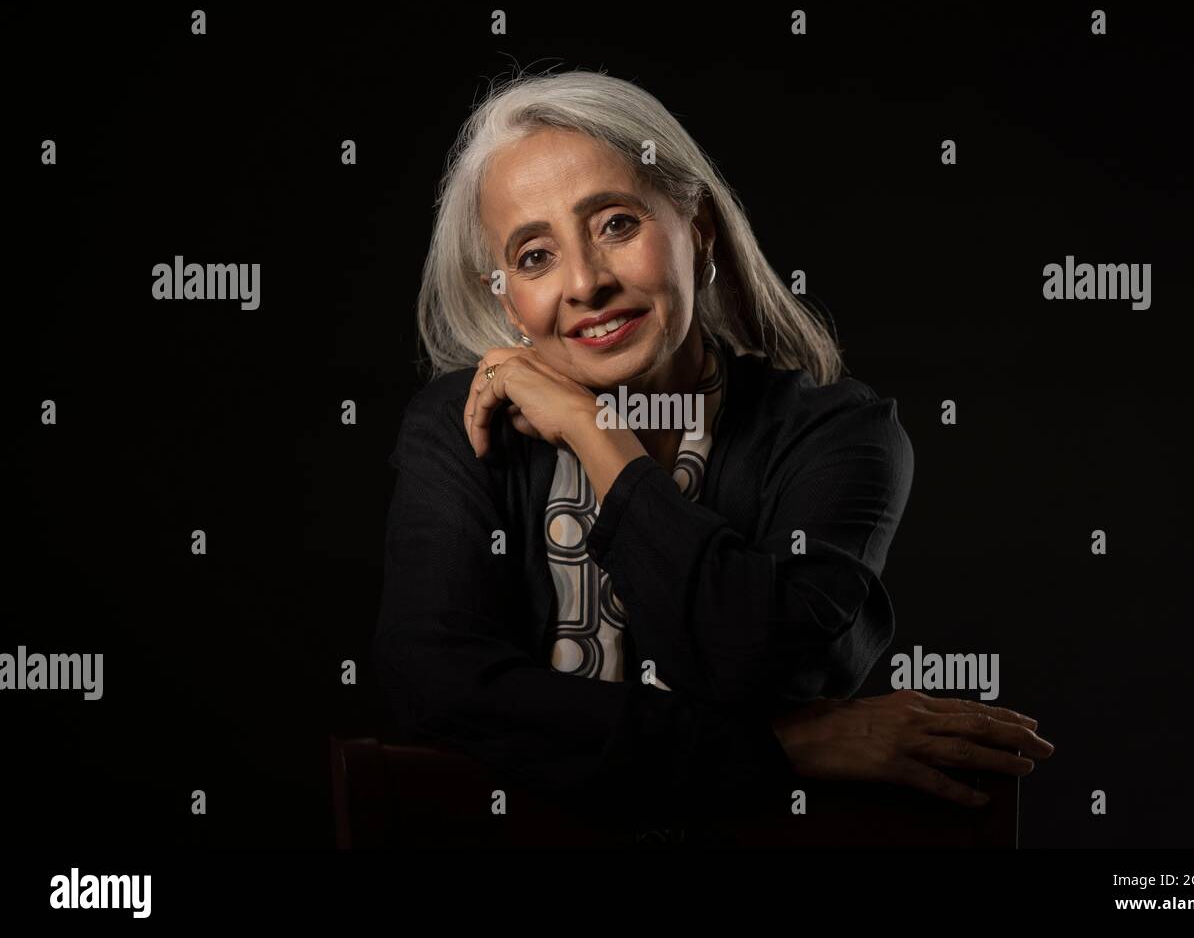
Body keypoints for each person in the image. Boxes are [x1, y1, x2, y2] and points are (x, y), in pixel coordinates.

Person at [373, 69, 1052, 828]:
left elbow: (754, 660)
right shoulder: (456, 427)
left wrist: (595, 434)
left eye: (616, 225)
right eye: (534, 256)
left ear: (697, 230)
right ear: (505, 296)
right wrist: (776, 747)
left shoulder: (837, 434)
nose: (586, 283)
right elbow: (435, 687)